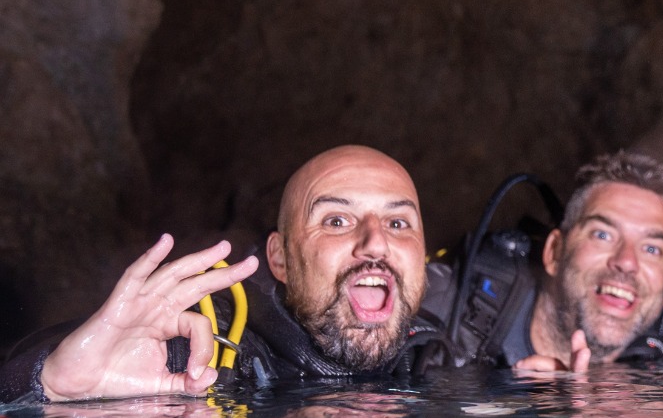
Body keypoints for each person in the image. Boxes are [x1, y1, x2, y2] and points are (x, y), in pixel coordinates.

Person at [0, 144, 444, 402]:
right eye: (336, 221)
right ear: (280, 258)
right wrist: (48, 382)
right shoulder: (200, 354)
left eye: (398, 223)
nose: (376, 242)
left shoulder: (444, 350)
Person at [428, 151, 663, 373]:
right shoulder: (440, 308)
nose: (627, 262)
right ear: (554, 251)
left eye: (652, 249)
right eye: (603, 235)